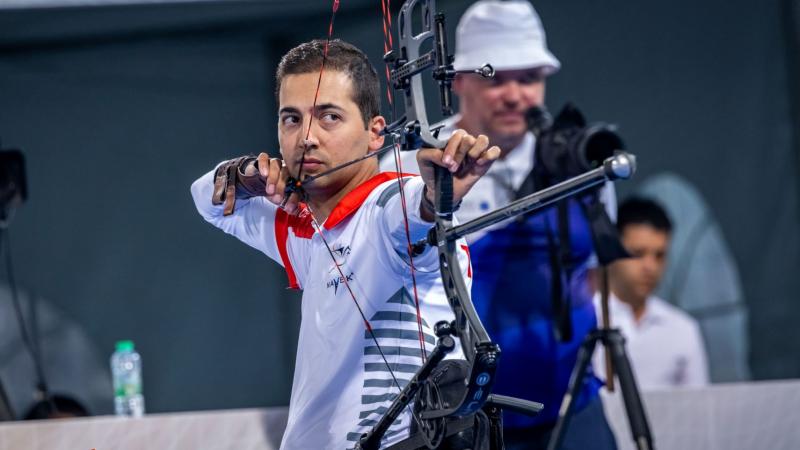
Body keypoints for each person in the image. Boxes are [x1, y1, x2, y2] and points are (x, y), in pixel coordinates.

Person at [191, 39, 500, 449]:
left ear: (375, 134)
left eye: (329, 117)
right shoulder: (303, 230)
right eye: (291, 119)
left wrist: (438, 197)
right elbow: (204, 199)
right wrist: (247, 174)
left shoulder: (385, 207)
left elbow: (411, 216)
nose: (306, 138)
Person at [382, 1, 618, 449]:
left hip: (572, 404)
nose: (514, 94)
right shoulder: (413, 164)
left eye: (528, 78)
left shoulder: (578, 159)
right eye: (495, 77)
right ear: (460, 80)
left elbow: (592, 273)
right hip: (459, 415)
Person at [593, 197, 709, 389]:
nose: (650, 266)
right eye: (637, 253)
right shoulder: (587, 319)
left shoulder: (683, 329)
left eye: (659, 255)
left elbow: (698, 408)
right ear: (612, 249)